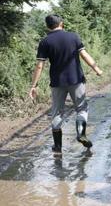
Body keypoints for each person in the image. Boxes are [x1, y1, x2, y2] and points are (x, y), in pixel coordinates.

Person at [29, 14, 103, 155]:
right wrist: (97, 69)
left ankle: (57, 147)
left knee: (57, 112)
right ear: (61, 23)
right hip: (76, 80)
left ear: (47, 26)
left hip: (57, 83)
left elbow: (39, 66)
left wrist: (34, 85)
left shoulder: (45, 41)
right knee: (81, 109)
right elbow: (84, 55)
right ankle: (81, 133)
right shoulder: (73, 37)